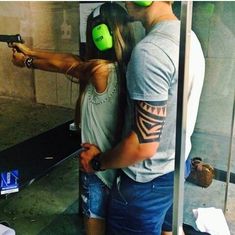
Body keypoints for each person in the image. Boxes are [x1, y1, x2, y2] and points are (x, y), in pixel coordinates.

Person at [79, 1, 205, 235]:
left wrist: (98, 162)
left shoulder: (150, 52)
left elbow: (143, 145)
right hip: (175, 169)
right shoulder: (188, 36)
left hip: (146, 183)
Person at [10, 2, 135, 235]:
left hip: (98, 170)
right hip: (116, 166)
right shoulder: (126, 65)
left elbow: (69, 64)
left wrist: (27, 61)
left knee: (95, 226)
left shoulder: (100, 71)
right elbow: (72, 59)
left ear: (100, 36)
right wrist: (31, 50)